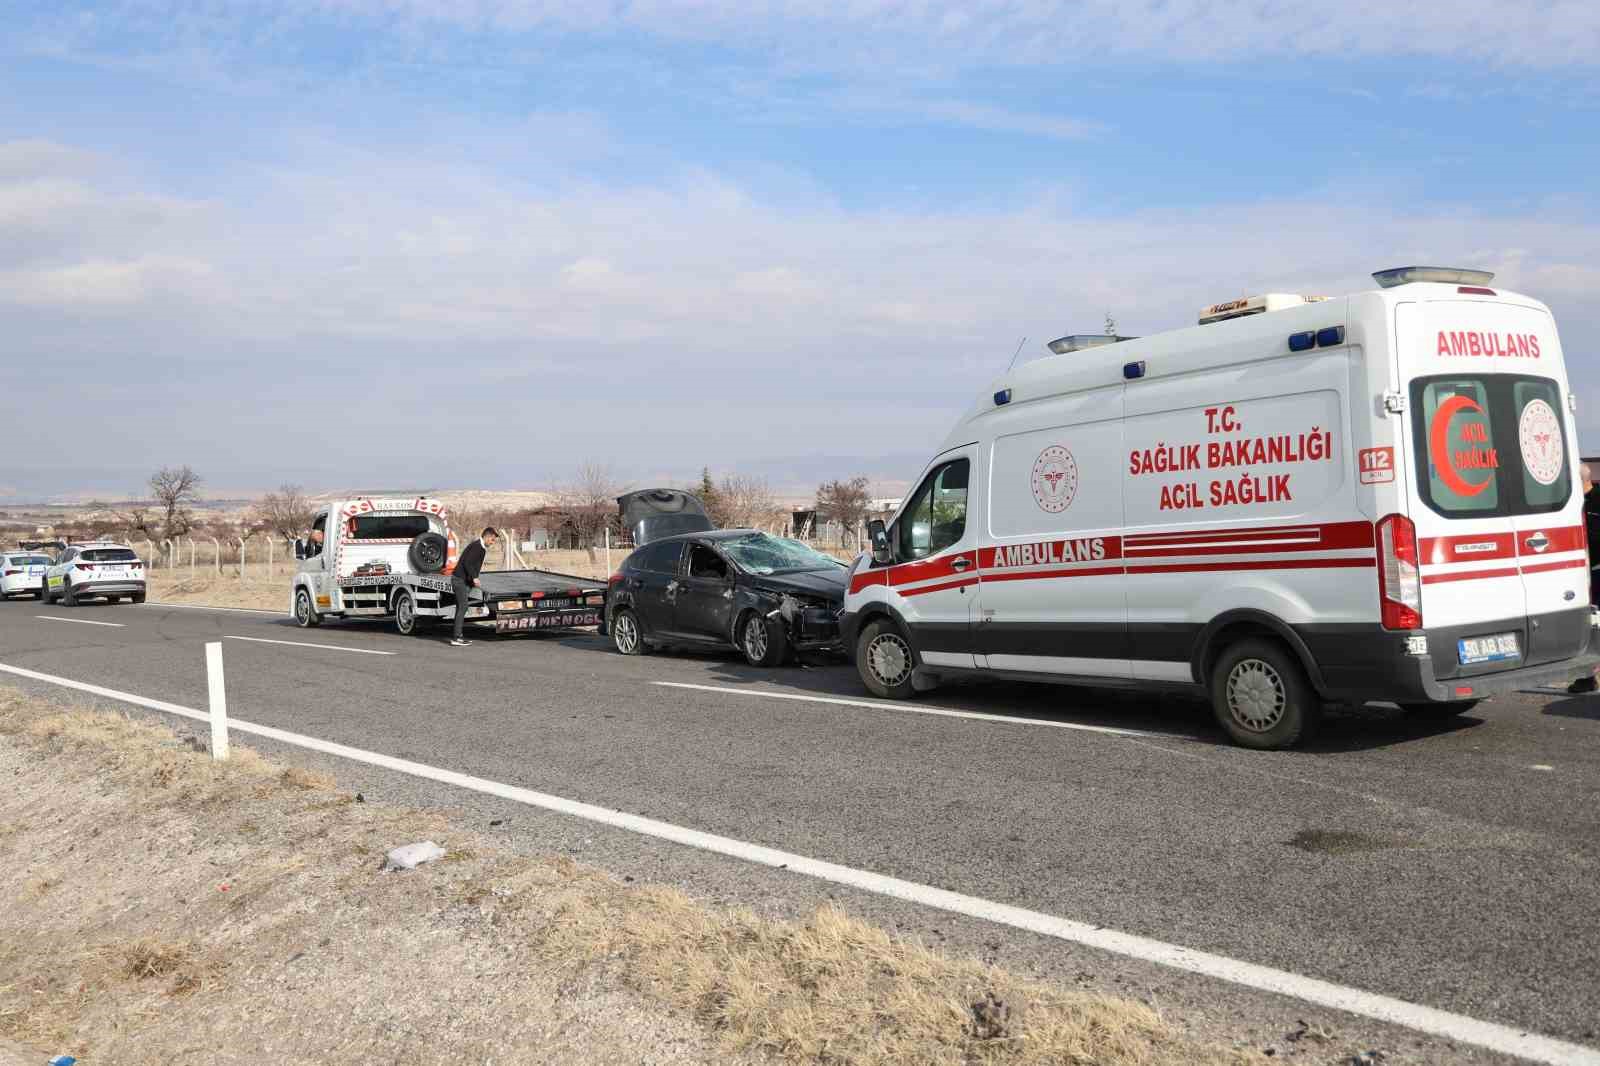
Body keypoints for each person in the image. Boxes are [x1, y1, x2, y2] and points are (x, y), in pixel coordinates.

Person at [1569, 464, 1600, 693]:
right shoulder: (1572, 505)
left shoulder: (1597, 500)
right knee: (1589, 627)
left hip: (1597, 572)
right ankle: (1587, 677)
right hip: (1581, 575)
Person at [451, 527, 498, 647]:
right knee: (463, 607)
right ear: (487, 536)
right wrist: (474, 578)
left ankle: (458, 636)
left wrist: (473, 579)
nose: (493, 543)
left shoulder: (480, 547)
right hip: (459, 580)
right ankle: (456, 637)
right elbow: (467, 563)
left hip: (463, 581)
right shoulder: (478, 547)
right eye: (492, 540)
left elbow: (473, 564)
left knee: (461, 608)